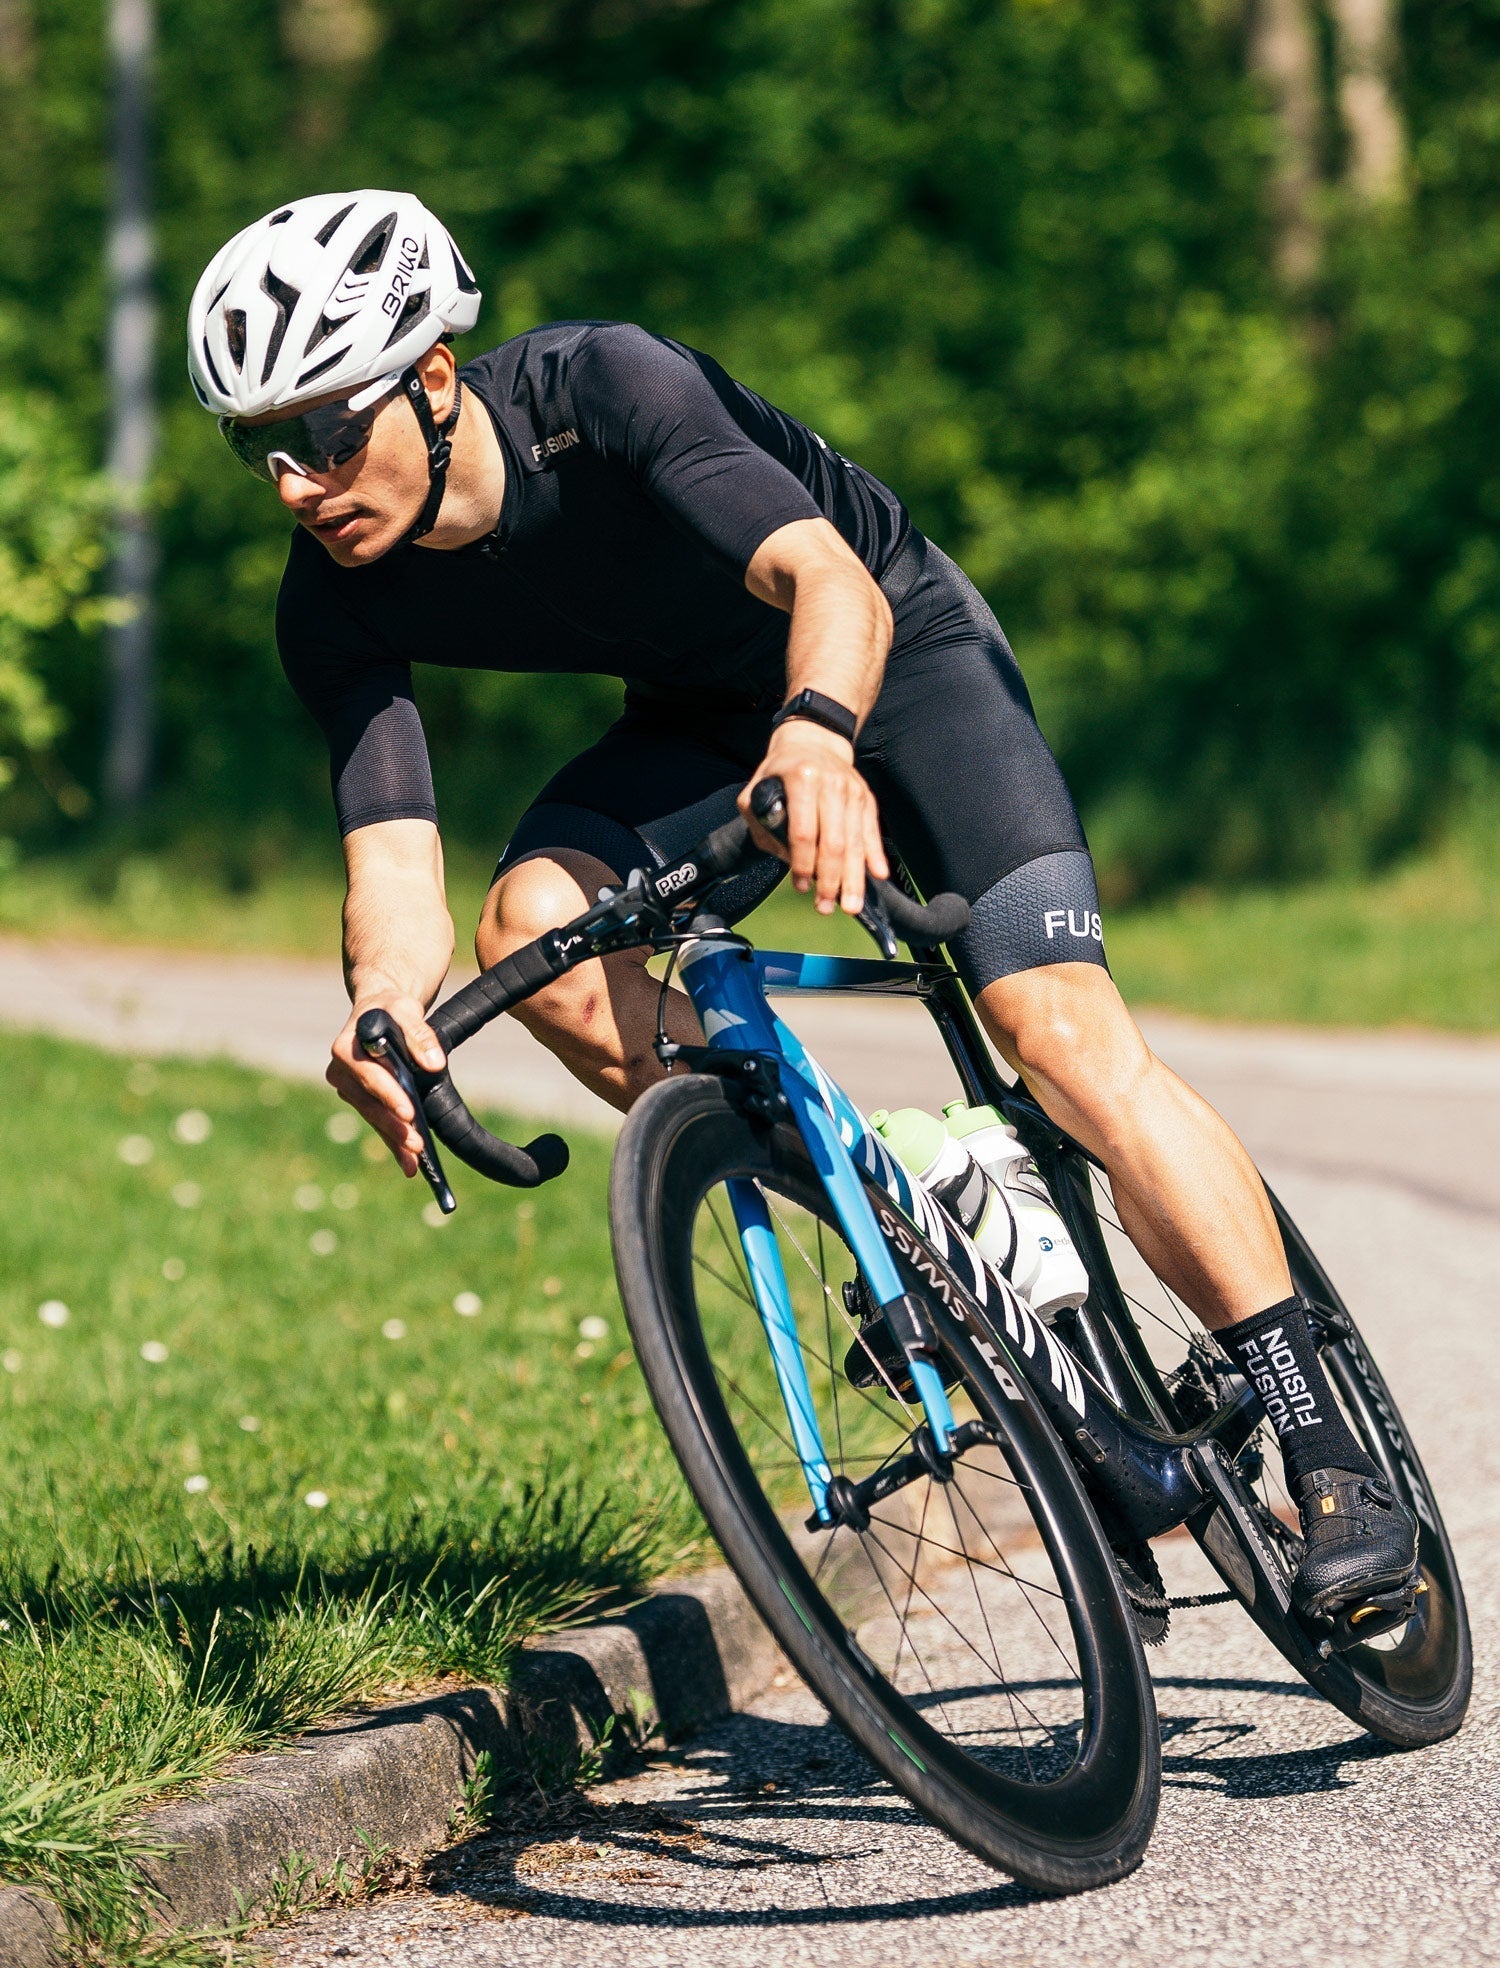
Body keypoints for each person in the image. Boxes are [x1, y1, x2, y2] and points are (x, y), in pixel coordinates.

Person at [189, 188, 1418, 1624]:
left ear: (438, 380)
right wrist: (385, 1005)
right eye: (259, 449)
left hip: (895, 657)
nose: (298, 482)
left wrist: (823, 731)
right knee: (528, 931)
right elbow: (392, 856)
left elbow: (825, 575)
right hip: (706, 726)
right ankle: (914, 1229)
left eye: (329, 432)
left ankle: (1318, 1426)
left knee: (1061, 1036)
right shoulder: (332, 595)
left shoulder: (603, 387)